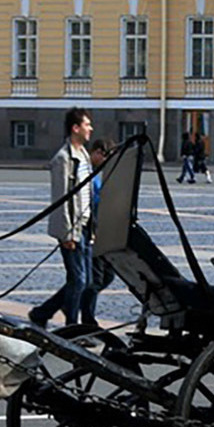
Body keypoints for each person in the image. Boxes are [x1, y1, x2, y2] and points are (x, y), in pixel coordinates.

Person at [29, 107, 94, 329]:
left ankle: (42, 313)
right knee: (79, 280)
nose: (90, 128)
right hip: (72, 228)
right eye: (87, 124)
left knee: (85, 281)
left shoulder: (83, 154)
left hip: (85, 225)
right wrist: (67, 233)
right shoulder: (63, 159)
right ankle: (71, 328)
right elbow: (61, 199)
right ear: (75, 128)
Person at [80, 137, 117, 327]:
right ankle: (88, 320)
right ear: (97, 153)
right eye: (105, 157)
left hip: (102, 230)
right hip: (91, 232)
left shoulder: (97, 173)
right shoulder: (86, 172)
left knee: (106, 276)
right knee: (93, 280)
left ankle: (56, 304)